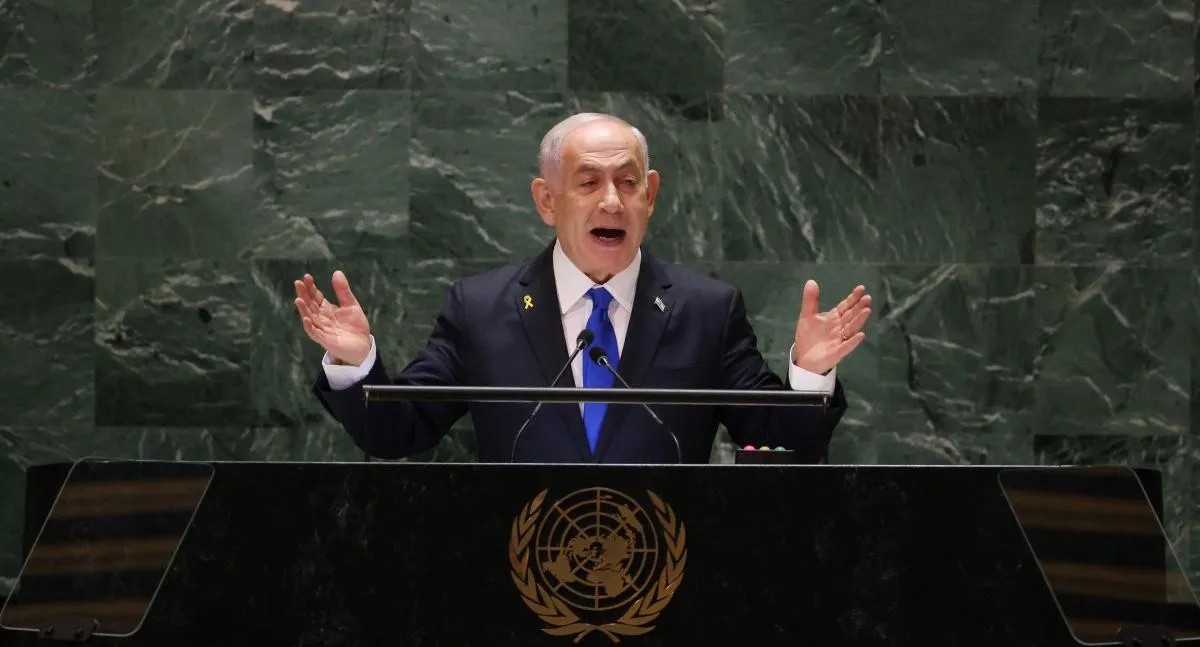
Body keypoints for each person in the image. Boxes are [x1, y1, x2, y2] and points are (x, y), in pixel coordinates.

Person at [295, 113, 871, 464]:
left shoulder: (706, 310)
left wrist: (810, 375)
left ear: (651, 195)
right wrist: (354, 365)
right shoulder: (481, 309)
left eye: (627, 182)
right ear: (547, 201)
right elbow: (398, 431)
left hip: (664, 587)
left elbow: (781, 441)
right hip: (520, 583)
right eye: (589, 182)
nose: (612, 201)